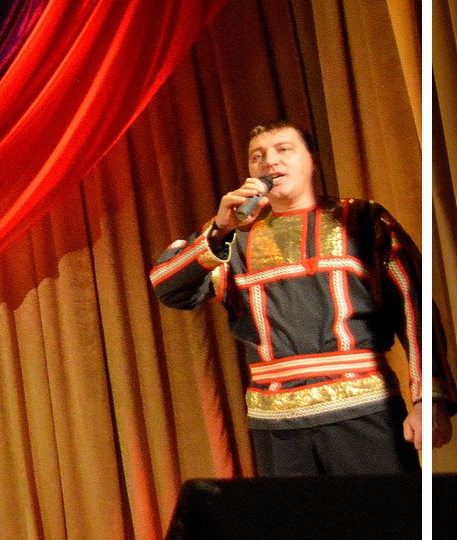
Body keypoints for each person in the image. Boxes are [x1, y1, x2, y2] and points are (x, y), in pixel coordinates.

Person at [150, 120, 453, 475]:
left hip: (365, 411)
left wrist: (428, 397)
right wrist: (219, 230)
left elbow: (414, 305)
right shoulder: (234, 240)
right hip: (276, 426)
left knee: (383, 511)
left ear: (313, 162)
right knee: (293, 514)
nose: (269, 161)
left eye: (284, 150)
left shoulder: (362, 220)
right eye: (257, 156)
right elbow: (168, 286)